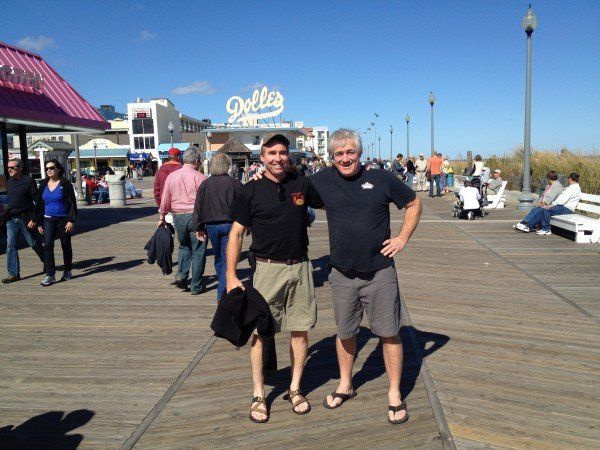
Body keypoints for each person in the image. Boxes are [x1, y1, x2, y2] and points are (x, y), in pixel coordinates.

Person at [309, 129, 421, 425]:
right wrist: (259, 178)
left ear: (359, 153)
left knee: (388, 332)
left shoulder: (381, 178)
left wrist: (402, 239)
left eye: (350, 152)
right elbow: (288, 189)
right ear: (332, 157)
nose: (345, 158)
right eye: (339, 154)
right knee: (345, 333)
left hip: (379, 272)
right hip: (342, 273)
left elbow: (413, 203)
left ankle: (394, 393)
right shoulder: (321, 181)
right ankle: (346, 384)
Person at [226, 133, 324, 423]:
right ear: (262, 157)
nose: (278, 158)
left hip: (301, 267)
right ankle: (259, 393)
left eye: (282, 152)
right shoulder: (249, 191)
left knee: (300, 330)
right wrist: (231, 275)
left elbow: (333, 200)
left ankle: (295, 389)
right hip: (267, 269)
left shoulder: (302, 184)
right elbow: (236, 234)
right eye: (272, 153)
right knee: (259, 333)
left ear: (288, 155)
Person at [193, 153, 243, 301]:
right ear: (227, 166)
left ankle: (223, 288)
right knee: (228, 259)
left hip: (211, 226)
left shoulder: (205, 184)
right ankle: (222, 293)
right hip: (230, 225)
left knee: (219, 258)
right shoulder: (235, 184)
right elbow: (243, 206)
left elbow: (198, 207)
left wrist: (199, 227)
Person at [158, 148, 207, 294]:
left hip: (178, 216)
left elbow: (165, 198)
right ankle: (196, 286)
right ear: (197, 161)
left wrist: (162, 216)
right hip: (196, 217)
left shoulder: (172, 176)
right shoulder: (200, 177)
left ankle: (181, 274)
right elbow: (205, 201)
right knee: (198, 250)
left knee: (184, 246)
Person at [35, 159, 77, 286]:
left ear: (58, 169)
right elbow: (39, 204)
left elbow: (72, 204)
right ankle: (50, 274)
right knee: (47, 245)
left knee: (65, 245)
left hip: (63, 219)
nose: (49, 170)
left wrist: (71, 220)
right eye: (47, 168)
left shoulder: (65, 183)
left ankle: (67, 271)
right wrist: (38, 222)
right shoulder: (43, 184)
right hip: (48, 219)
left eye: (52, 168)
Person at [2, 159, 45, 284]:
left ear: (20, 168)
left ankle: (46, 262)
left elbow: (38, 202)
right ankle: (13, 274)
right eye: (8, 167)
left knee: (33, 243)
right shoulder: (9, 182)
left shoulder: (28, 181)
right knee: (10, 245)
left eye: (12, 167)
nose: (9, 169)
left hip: (26, 218)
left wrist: (35, 219)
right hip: (11, 219)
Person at [515, 173, 581, 236]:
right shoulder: (572, 187)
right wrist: (552, 204)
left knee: (546, 210)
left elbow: (563, 200)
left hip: (566, 208)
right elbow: (561, 199)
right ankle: (529, 225)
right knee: (543, 209)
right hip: (562, 207)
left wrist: (552, 205)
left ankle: (545, 229)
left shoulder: (573, 188)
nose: (568, 179)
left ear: (570, 179)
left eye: (568, 178)